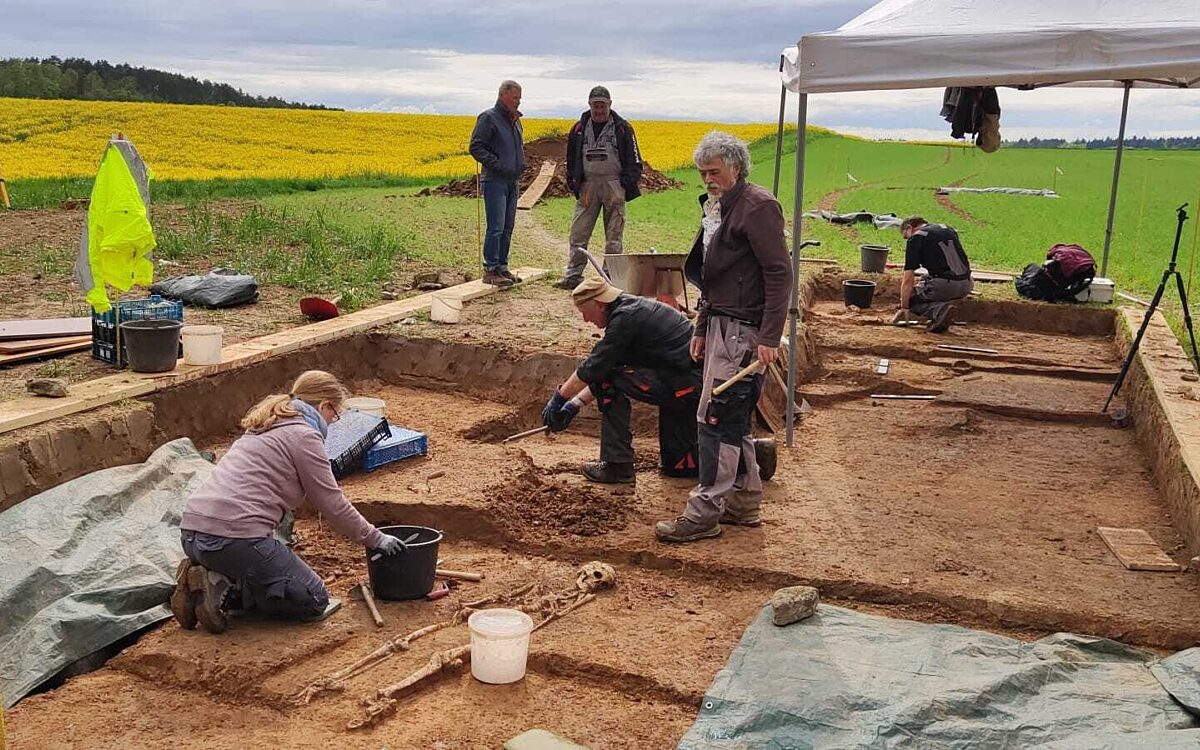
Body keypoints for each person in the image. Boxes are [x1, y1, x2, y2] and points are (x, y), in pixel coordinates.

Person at [170, 370, 403, 634]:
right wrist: (376, 539)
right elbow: (331, 502)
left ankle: (209, 575)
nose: (333, 422)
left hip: (191, 534)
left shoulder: (265, 423)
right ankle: (222, 590)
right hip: (233, 540)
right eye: (334, 415)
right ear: (324, 405)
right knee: (313, 598)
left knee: (263, 559)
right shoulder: (304, 435)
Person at [654, 132, 791, 544]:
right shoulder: (718, 207)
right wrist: (700, 324)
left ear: (736, 167)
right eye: (702, 173)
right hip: (721, 324)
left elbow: (779, 273)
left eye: (714, 172)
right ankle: (744, 503)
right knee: (731, 418)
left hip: (744, 332)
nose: (708, 180)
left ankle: (704, 511)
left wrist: (769, 335)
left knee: (716, 419)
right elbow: (716, 275)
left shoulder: (758, 206)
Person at [540, 277, 702, 483]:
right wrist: (573, 406)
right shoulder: (630, 311)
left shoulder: (625, 319)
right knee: (678, 468)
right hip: (683, 382)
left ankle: (617, 465)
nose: (584, 320)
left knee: (608, 378)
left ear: (599, 305)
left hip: (685, 386)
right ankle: (751, 453)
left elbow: (595, 369)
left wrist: (560, 398)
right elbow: (605, 368)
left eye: (584, 312)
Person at [554, 86, 643, 290]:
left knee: (614, 236)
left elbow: (635, 159)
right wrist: (573, 181)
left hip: (614, 185)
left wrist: (625, 184)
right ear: (589, 105)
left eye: (603, 105)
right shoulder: (578, 128)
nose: (599, 110)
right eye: (596, 105)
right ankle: (573, 275)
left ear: (610, 105)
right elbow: (570, 158)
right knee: (578, 232)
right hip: (588, 186)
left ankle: (611, 278)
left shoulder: (623, 128)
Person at [470, 80, 526, 288]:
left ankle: (502, 267)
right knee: (496, 226)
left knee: (508, 227)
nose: (518, 102)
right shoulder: (488, 118)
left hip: (513, 180)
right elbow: (476, 147)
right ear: (503, 95)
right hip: (495, 180)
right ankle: (490, 269)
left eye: (519, 98)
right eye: (515, 98)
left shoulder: (516, 121)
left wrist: (521, 165)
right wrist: (498, 165)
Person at [892, 216, 973, 333]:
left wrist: (904, 307)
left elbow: (908, 280)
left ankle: (940, 310)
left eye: (906, 236)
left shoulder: (916, 238)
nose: (907, 239)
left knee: (911, 298)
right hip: (967, 283)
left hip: (945, 285)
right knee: (925, 280)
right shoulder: (948, 229)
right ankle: (941, 308)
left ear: (909, 228)